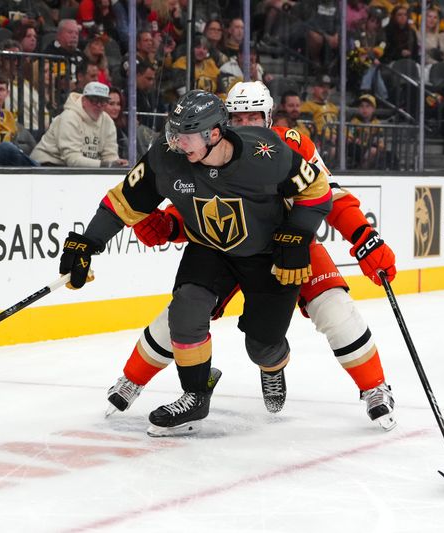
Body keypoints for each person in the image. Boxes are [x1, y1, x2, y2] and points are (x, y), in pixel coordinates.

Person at [105, 82, 398, 431]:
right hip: (226, 246)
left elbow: (328, 195)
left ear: (269, 115)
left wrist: (363, 236)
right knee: (183, 313)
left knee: (332, 308)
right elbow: (203, 204)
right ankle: (133, 379)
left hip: (289, 246)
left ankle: (373, 388)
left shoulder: (288, 144)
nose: (246, 122)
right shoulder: (215, 148)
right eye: (239, 116)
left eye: (254, 115)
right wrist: (170, 225)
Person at [57, 89, 332, 436]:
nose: (175, 142)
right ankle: (196, 394)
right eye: (174, 132)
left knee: (262, 345)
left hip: (267, 255)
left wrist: (297, 234)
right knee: (185, 310)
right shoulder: (166, 156)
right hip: (209, 247)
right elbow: (122, 203)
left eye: (185, 136)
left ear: (214, 134)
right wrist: (88, 242)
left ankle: (272, 365)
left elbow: (318, 190)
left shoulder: (266, 152)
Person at [30, 81, 127, 168]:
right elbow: (72, 160)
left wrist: (116, 163)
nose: (98, 105)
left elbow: (110, 155)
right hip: (45, 166)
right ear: (83, 100)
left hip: (73, 170)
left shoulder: (107, 121)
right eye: (94, 100)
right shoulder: (69, 117)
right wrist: (105, 165)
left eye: (103, 101)